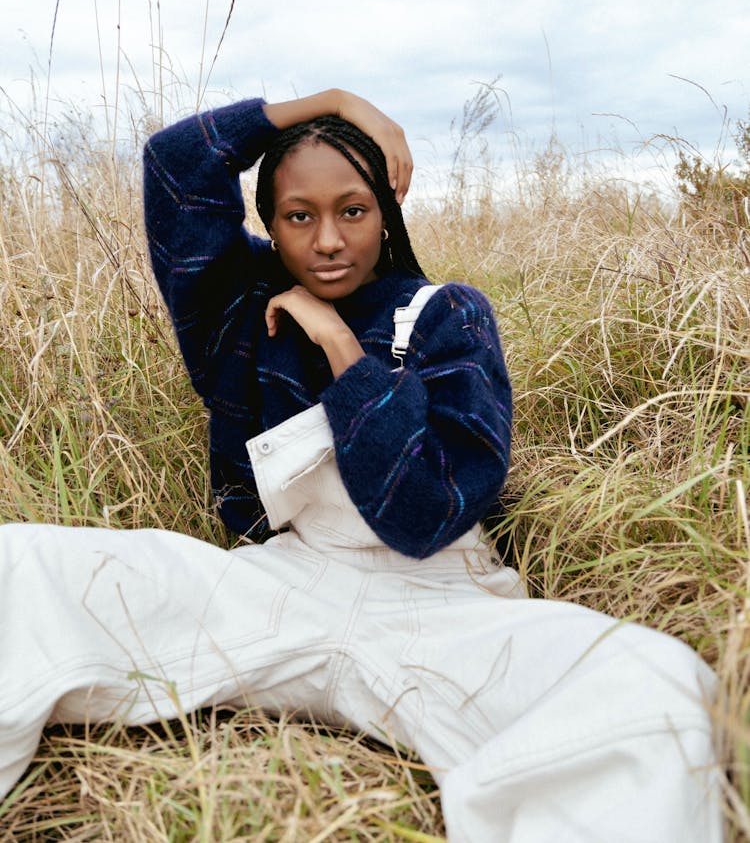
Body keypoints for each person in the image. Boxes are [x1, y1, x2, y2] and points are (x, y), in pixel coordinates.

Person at [0, 90, 722, 841]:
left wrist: (343, 351)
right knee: (21, 566)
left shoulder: (448, 316)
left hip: (440, 602)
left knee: (650, 684)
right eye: (298, 215)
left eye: (353, 209)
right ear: (271, 226)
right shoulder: (242, 306)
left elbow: (422, 515)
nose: (328, 240)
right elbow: (175, 165)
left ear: (387, 211)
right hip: (283, 584)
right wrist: (339, 101)